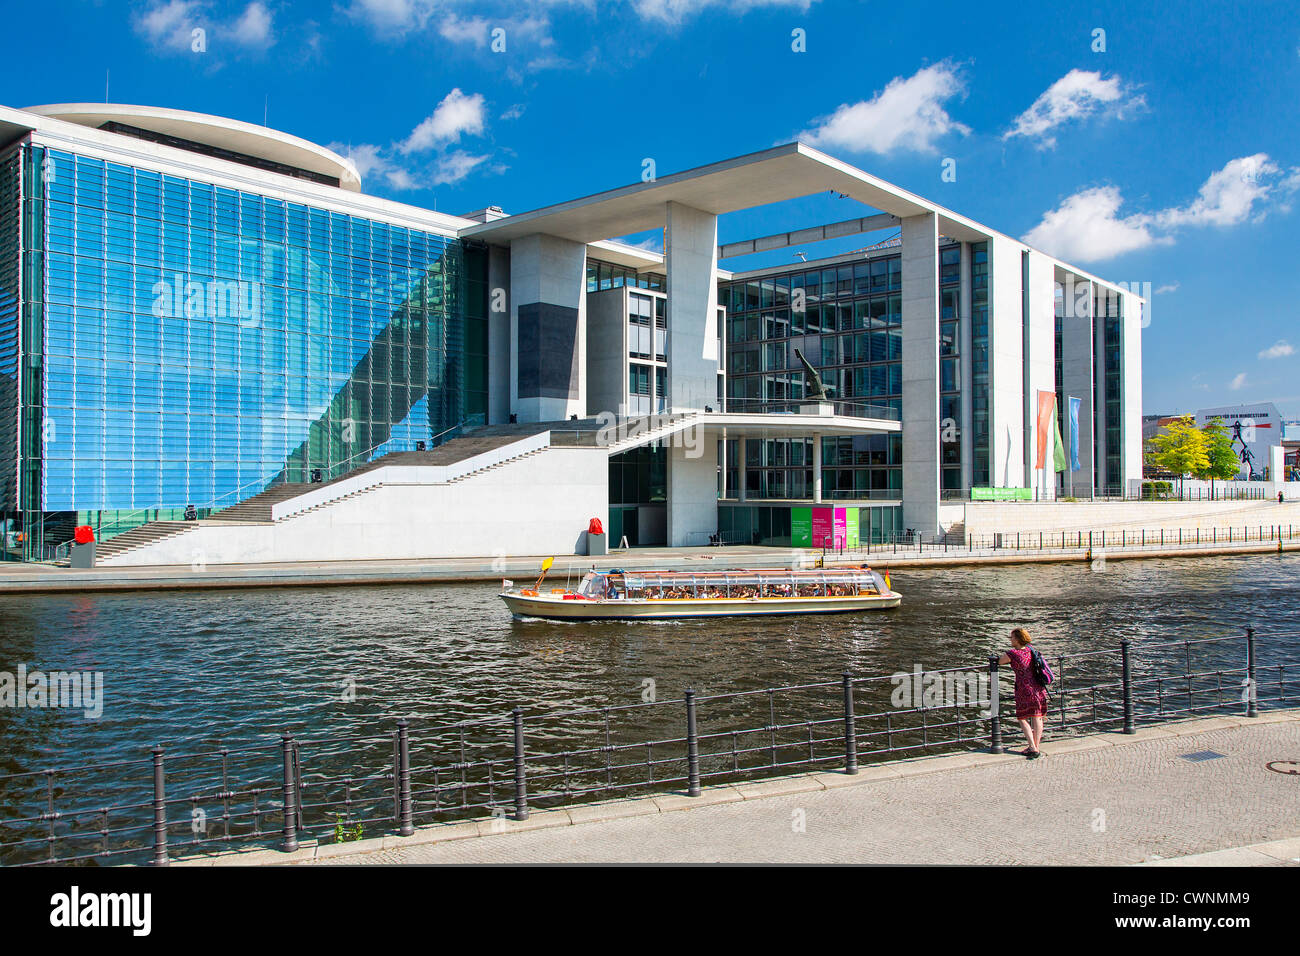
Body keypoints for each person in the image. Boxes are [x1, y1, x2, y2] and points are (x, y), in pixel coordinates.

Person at [998, 627, 1048, 759]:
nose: (1011, 639)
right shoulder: (1031, 650)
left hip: (1024, 689)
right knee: (1037, 717)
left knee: (1022, 717)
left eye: (1012, 637)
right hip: (1038, 687)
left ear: (1018, 639)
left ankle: (1032, 747)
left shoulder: (1013, 654)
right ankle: (1036, 746)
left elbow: (999, 661)